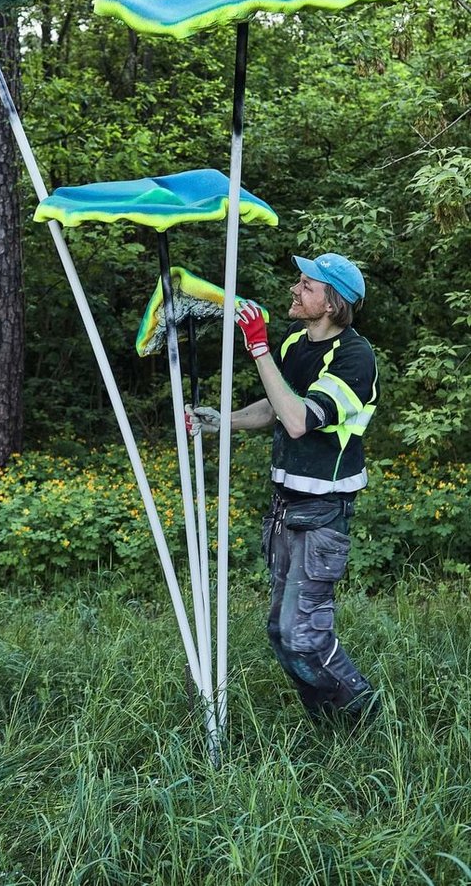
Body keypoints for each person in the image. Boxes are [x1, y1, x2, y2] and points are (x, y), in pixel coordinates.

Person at [186, 253, 380, 723]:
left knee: (302, 634)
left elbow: (298, 421)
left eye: (307, 285)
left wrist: (257, 350)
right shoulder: (296, 343)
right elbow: (275, 407)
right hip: (285, 507)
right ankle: (330, 721)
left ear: (332, 304)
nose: (296, 289)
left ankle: (365, 715)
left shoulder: (355, 357)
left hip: (323, 510)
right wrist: (222, 422)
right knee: (280, 630)